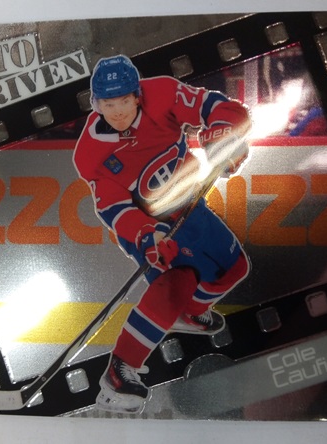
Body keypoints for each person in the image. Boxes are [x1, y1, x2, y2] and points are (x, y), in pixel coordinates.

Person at [73, 55, 251, 413]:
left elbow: (216, 107)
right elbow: (113, 208)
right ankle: (120, 371)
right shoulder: (90, 152)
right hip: (146, 224)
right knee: (176, 283)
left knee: (235, 268)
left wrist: (224, 134)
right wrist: (146, 236)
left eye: (124, 100)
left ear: (137, 95)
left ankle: (191, 313)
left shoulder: (164, 93)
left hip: (188, 203)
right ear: (96, 104)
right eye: (108, 104)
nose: (117, 111)